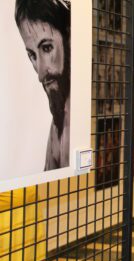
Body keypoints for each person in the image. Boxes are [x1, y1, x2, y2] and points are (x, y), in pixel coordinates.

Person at [15, 0, 71, 171]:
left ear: (68, 37)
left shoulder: (73, 118)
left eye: (47, 48)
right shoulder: (57, 124)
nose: (40, 73)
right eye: (32, 55)